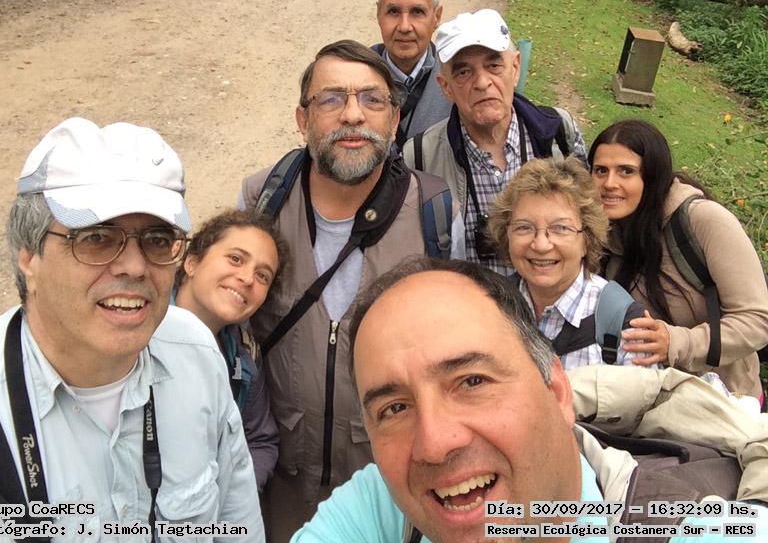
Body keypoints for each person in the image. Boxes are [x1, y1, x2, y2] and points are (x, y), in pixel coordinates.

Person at [291, 257, 767, 543]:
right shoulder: (386, 504)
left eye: (471, 381)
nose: (433, 444)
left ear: (556, 390)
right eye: (394, 408)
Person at [0, 118, 264, 541]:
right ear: (29, 255)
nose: (135, 266)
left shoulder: (195, 352)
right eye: (96, 238)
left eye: (157, 239)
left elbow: (237, 522)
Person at [240, 40, 465, 539]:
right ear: (303, 119)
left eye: (372, 99)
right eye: (331, 98)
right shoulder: (262, 201)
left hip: (387, 495)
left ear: (394, 119)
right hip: (279, 488)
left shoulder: (435, 212)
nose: (352, 115)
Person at [588, 119, 768, 402]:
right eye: (601, 170)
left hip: (722, 402)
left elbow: (758, 319)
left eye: (626, 171)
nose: (610, 184)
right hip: (644, 402)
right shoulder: (598, 231)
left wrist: (675, 342)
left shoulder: (702, 220)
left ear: (653, 175)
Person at [402, 8, 588, 274]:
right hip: (466, 299)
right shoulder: (419, 156)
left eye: (493, 66)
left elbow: (588, 225)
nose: (482, 82)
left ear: (515, 67)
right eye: (463, 72)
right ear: (446, 87)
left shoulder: (559, 132)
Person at [486, 157, 656, 370]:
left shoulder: (625, 324)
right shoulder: (488, 308)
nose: (541, 245)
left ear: (587, 239)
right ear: (506, 235)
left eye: (560, 228)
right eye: (524, 227)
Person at [175, 209, 288, 493]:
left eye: (262, 276)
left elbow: (260, 441)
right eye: (236, 259)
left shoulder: (244, 355)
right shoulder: (137, 334)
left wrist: (231, 502)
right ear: (192, 262)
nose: (248, 278)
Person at [371, 0, 451, 149]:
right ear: (379, 13)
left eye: (417, 12)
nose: (405, 26)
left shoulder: (456, 80)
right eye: (393, 12)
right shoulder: (354, 78)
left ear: (437, 17)